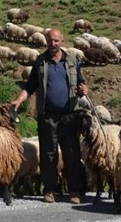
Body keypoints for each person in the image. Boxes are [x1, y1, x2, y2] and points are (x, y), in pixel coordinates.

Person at [11, 28, 88, 204]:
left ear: (61, 41)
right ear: (46, 41)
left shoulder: (72, 61)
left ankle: (74, 191)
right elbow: (29, 87)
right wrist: (18, 101)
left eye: (56, 41)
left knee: (72, 154)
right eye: (50, 41)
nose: (53, 44)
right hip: (48, 117)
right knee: (48, 155)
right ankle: (50, 190)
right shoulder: (40, 62)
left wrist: (84, 89)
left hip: (69, 116)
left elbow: (82, 83)